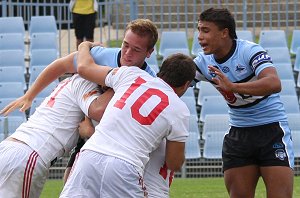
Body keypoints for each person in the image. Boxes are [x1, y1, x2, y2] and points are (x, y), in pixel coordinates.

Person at [1, 19, 175, 197]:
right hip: (32, 154)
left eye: (136, 49)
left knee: (74, 179)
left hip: (19, 147)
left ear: (149, 52)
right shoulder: (92, 70)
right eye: (125, 45)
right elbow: (70, 68)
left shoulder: (147, 81)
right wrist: (29, 95)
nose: (127, 53)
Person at [60, 43, 196, 197]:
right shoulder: (179, 109)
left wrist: (84, 45)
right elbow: (173, 162)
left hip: (90, 154)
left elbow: (85, 68)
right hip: (125, 165)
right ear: (186, 85)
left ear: (160, 72)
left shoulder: (132, 74)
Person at [194, 7, 294, 198]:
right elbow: (176, 81)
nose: (199, 36)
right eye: (198, 30)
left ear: (224, 33)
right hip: (239, 134)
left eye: (205, 30)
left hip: (271, 130)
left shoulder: (249, 51)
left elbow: (274, 82)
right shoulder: (203, 62)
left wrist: (233, 87)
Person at [0, 73, 114, 198]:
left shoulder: (68, 82)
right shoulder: (85, 83)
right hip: (28, 154)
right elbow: (97, 113)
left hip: (11, 146)